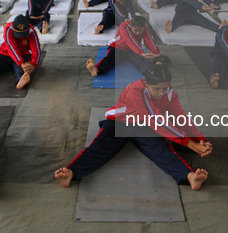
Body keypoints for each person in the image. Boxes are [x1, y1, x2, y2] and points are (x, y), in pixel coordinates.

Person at [55, 66, 212, 191]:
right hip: (120, 123)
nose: (162, 93)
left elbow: (181, 117)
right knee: (100, 147)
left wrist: (200, 139)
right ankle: (71, 173)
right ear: (146, 83)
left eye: (165, 88)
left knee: (160, 150)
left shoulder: (168, 93)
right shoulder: (136, 91)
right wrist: (190, 144)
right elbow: (155, 119)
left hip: (145, 126)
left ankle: (189, 176)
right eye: (157, 89)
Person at [87, 16, 162, 77]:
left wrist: (156, 52)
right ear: (131, 25)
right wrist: (141, 52)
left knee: (140, 61)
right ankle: (97, 69)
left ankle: (151, 72)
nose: (138, 33)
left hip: (132, 50)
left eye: (140, 31)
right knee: (111, 58)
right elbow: (130, 40)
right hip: (118, 47)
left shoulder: (145, 29)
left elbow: (149, 39)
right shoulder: (124, 27)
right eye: (136, 30)